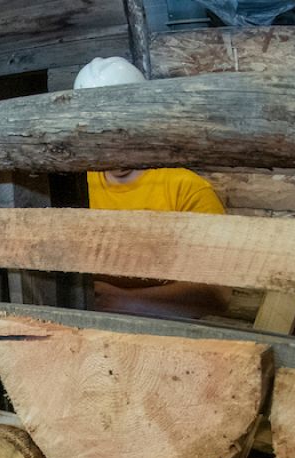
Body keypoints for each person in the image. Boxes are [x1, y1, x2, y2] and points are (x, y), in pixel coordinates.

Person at [74, 56, 230, 319]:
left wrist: (122, 302)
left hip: (166, 338)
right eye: (98, 129)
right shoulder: (77, 187)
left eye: (120, 127)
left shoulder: (185, 188)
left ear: (144, 120)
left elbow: (216, 296)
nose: (110, 139)